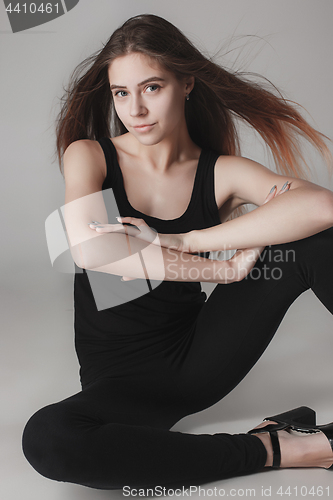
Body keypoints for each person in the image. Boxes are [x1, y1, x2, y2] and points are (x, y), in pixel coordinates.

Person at [22, 14, 333, 490]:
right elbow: (91, 249)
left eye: (152, 88)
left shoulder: (220, 172)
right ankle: (278, 446)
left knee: (317, 242)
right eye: (122, 93)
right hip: (120, 382)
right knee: (49, 438)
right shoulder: (91, 156)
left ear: (186, 83)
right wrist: (224, 271)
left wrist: (185, 240)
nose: (136, 110)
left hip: (197, 357)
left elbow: (319, 206)